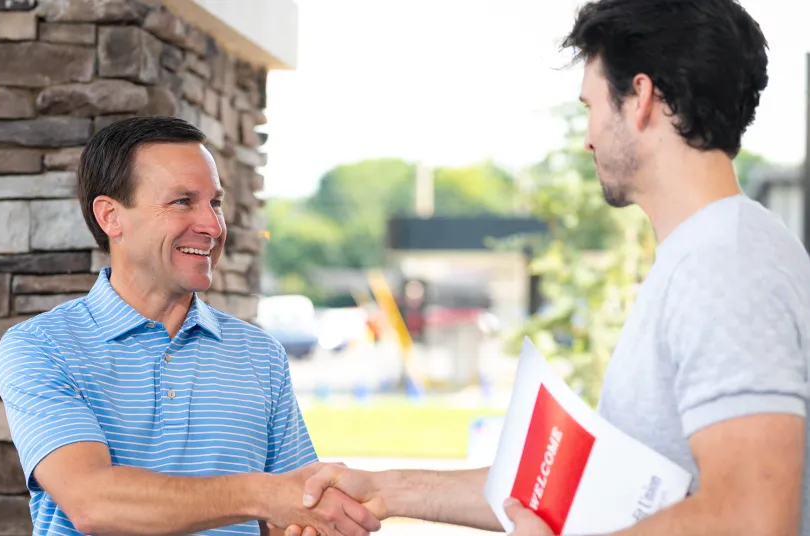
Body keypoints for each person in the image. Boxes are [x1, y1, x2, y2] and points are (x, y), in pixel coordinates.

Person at [292, 0, 810, 535]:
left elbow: (751, 518)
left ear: (642, 99)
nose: (587, 137)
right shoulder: (707, 255)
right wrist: (384, 490)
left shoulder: (725, 265)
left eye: (591, 106)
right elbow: (567, 496)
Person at [0, 116, 381, 536]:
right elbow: (93, 501)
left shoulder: (259, 354)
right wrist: (260, 494)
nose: (213, 226)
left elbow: (293, 508)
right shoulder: (41, 347)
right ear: (110, 217)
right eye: (182, 201)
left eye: (214, 202)